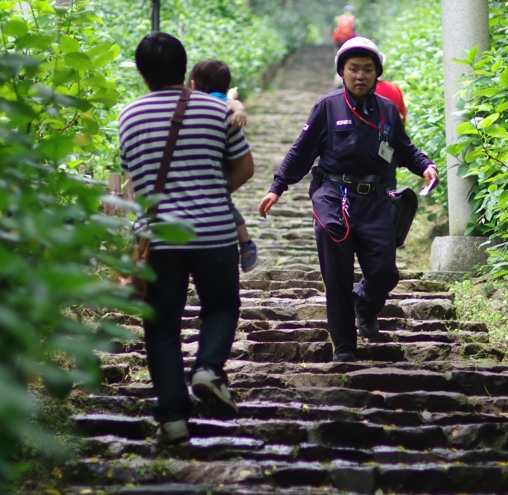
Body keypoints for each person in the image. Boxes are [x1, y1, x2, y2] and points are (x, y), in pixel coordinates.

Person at [257, 37, 438, 362]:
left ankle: (365, 304)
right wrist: (277, 186)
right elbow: (301, 150)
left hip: (377, 202)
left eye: (368, 70)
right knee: (337, 276)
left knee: (385, 271)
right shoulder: (327, 107)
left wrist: (425, 165)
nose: (360, 76)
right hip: (333, 198)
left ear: (376, 74)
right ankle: (344, 346)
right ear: (342, 71)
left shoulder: (387, 110)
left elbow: (403, 148)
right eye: (353, 69)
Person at [118, 32, 254, 443]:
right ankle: (209, 369)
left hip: (158, 237)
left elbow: (134, 183)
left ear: (142, 73)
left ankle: (173, 418)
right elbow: (244, 169)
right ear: (185, 68)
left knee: (161, 326)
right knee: (222, 306)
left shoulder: (129, 116)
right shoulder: (217, 113)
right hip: (213, 231)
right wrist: (209, 192)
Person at [188, 58, 259, 271]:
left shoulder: (202, 105)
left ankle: (246, 244)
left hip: (214, 166)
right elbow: (232, 100)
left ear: (192, 85)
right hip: (221, 165)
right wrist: (239, 109)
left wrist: (238, 109)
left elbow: (232, 102)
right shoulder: (222, 101)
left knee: (227, 206)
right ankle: (246, 244)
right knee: (226, 204)